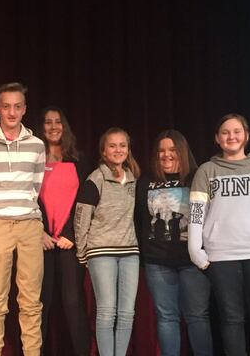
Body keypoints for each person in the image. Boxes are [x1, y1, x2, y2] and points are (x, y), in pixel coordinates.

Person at [188, 113, 250, 356]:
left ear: (246, 136)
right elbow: (195, 216)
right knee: (231, 319)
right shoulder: (206, 171)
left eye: (236, 131)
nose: (231, 136)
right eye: (225, 132)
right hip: (221, 257)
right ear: (217, 138)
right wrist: (196, 252)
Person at [0, 82, 46, 356]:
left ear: (24, 110)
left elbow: (35, 187)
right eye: (6, 106)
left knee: (30, 302)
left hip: (28, 225)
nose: (11, 112)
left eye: (17, 106)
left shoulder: (37, 145)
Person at [134, 130, 212, 356]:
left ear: (183, 152)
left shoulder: (198, 176)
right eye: (161, 151)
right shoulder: (146, 181)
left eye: (172, 150)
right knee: (167, 317)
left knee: (198, 317)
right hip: (158, 262)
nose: (166, 155)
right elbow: (139, 219)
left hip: (193, 261)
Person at [74, 127, 140, 356]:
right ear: (103, 150)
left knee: (127, 313)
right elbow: (81, 217)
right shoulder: (95, 179)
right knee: (106, 311)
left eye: (123, 145)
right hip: (101, 251)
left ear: (128, 149)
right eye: (112, 145)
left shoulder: (132, 179)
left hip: (130, 252)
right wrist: (82, 251)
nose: (118, 149)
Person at [37, 107, 91, 356]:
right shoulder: (34, 161)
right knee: (40, 303)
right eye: (48, 122)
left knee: (73, 302)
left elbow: (84, 201)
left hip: (71, 241)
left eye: (58, 122)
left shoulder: (79, 160)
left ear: (65, 126)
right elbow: (28, 198)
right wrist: (40, 232)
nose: (53, 126)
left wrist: (71, 233)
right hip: (41, 241)